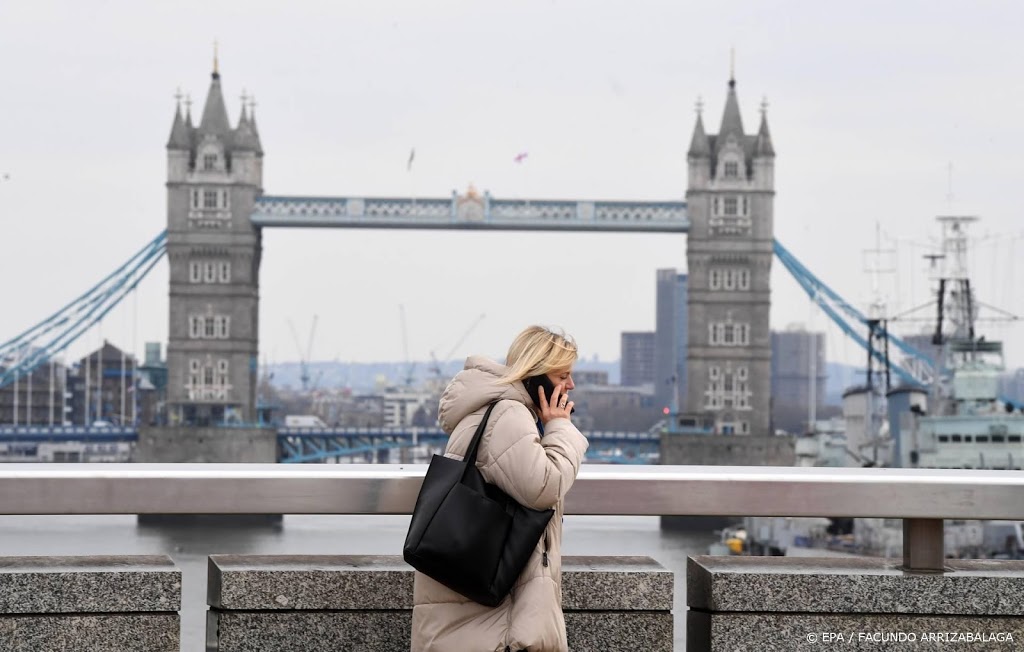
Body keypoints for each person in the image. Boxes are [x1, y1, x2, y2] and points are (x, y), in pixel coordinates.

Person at [411, 325, 590, 652]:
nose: (571, 385)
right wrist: (561, 428)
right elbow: (543, 488)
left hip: (475, 620)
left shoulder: (496, 409)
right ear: (536, 375)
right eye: (563, 375)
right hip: (494, 630)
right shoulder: (509, 414)